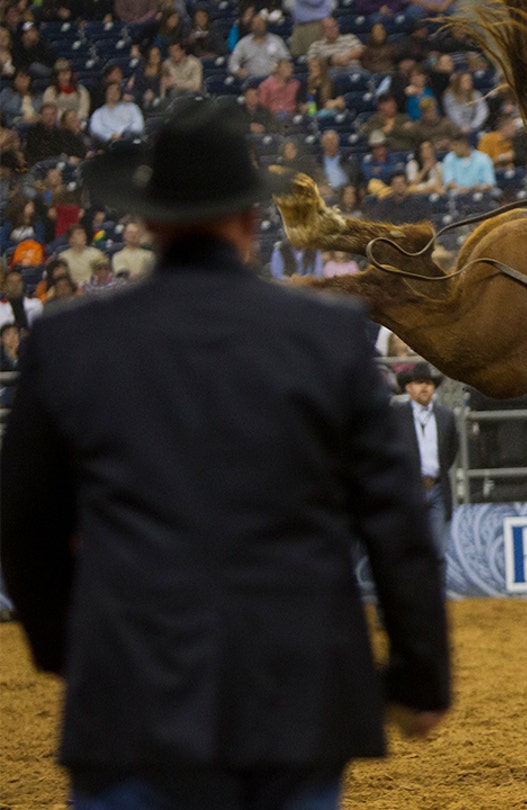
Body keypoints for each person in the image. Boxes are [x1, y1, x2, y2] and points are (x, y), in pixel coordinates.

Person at [0, 99, 451, 808]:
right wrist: (419, 677)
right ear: (249, 219)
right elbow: (396, 525)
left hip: (130, 696)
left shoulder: (69, 342)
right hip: (295, 698)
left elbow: (26, 526)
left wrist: (65, 650)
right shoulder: (329, 338)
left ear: (148, 222)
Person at [394, 363, 461, 567]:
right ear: (408, 388)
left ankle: (435, 597)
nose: (424, 387)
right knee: (408, 549)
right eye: (418, 383)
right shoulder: (396, 416)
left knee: (438, 551)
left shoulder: (445, 417)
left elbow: (451, 450)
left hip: (437, 487)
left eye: (429, 383)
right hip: (408, 489)